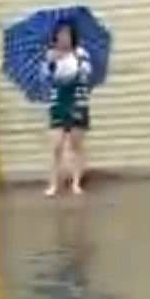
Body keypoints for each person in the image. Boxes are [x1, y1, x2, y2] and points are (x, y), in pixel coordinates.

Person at [44, 20, 92, 198]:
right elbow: (45, 79)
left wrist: (78, 65)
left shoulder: (81, 54)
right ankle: (53, 184)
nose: (64, 38)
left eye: (68, 34)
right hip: (58, 101)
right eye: (61, 34)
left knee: (75, 144)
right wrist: (51, 64)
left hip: (77, 100)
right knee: (56, 145)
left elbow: (87, 74)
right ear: (55, 37)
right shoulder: (50, 56)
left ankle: (76, 183)